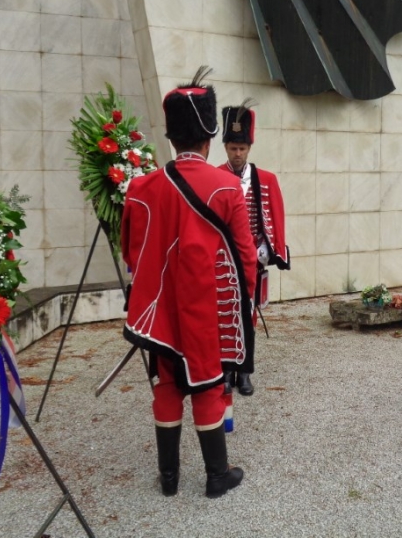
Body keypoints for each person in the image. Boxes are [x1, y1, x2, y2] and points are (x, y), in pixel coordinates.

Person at [120, 66, 257, 498]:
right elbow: (246, 258)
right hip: (207, 309)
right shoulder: (227, 187)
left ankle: (169, 478)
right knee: (207, 383)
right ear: (210, 135)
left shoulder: (141, 188)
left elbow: (131, 254)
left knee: (167, 384)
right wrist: (246, 303)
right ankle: (216, 475)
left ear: (171, 135)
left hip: (159, 310)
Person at [217, 100, 290, 397]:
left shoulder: (266, 179)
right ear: (225, 147)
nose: (237, 154)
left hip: (252, 260)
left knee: (247, 316)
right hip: (221, 261)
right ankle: (224, 371)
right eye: (233, 148)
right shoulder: (216, 176)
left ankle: (244, 372)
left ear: (249, 148)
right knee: (222, 315)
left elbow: (274, 216)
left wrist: (266, 248)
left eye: (242, 148)